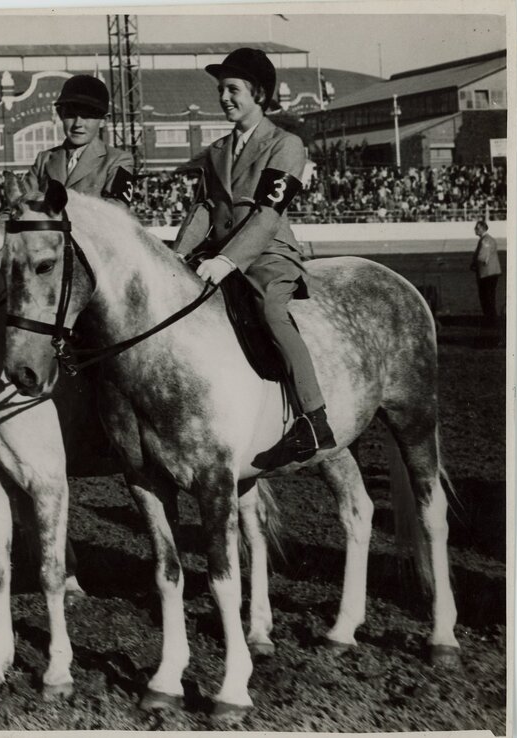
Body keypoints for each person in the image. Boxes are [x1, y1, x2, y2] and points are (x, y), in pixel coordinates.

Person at [172, 47, 335, 467]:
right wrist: (178, 254)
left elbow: (267, 215)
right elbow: (204, 208)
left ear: (259, 94)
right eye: (221, 90)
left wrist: (228, 261)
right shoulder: (217, 149)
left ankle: (314, 418)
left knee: (271, 310)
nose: (224, 97)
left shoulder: (286, 144)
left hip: (266, 254)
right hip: (217, 250)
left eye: (233, 89)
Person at [25, 74, 134, 207]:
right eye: (71, 115)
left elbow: (118, 209)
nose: (78, 124)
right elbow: (19, 203)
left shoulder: (118, 160)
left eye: (87, 116)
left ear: (103, 121)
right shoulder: (44, 159)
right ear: (60, 115)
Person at [471, 219, 502, 328]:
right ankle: (491, 319)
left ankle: (490, 320)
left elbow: (483, 257)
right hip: (490, 272)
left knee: (487, 297)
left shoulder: (485, 241)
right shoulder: (487, 239)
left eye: (477, 228)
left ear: (482, 229)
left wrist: (474, 263)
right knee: (489, 297)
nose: (475, 229)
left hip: (487, 273)